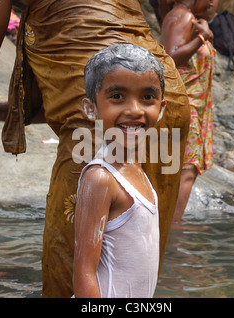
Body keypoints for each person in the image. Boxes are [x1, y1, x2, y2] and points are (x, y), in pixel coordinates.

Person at [0, 0, 190, 297]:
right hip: (167, 105)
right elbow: (73, 90)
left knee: (71, 279)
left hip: (102, 126)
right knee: (134, 272)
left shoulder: (97, 146)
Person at [73, 44, 166, 298]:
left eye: (147, 97)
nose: (134, 109)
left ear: (162, 107)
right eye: (117, 96)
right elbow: (84, 273)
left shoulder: (136, 169)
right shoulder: (101, 178)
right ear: (91, 108)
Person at [160, 0, 218, 223]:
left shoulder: (184, 16)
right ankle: (173, 230)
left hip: (191, 107)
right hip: (185, 106)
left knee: (177, 169)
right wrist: (202, 38)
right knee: (186, 170)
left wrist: (204, 35)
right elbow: (170, 58)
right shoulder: (184, 17)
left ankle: (168, 228)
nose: (214, 3)